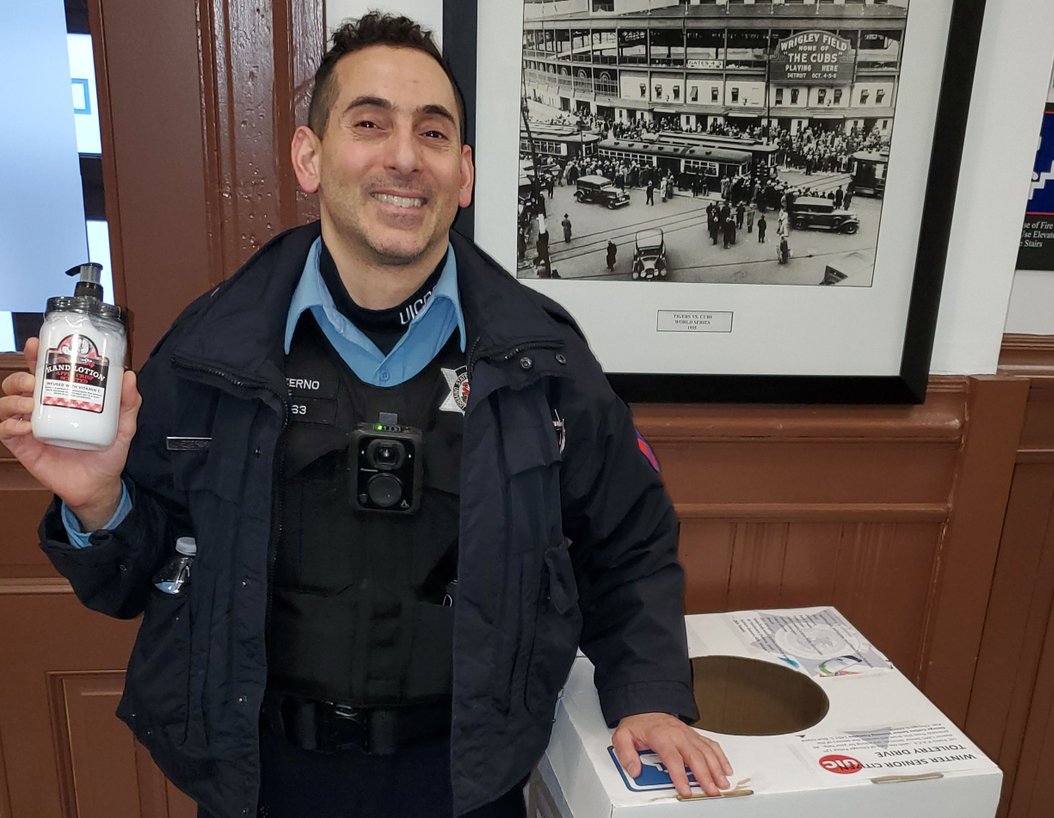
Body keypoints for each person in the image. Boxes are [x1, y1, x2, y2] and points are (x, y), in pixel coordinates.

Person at [0, 14, 730, 818]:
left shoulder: (545, 361)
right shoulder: (210, 352)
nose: (405, 158)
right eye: (370, 124)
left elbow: (629, 539)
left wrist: (649, 694)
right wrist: (98, 503)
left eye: (433, 132)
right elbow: (129, 584)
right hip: (262, 782)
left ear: (464, 173)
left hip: (465, 785)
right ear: (309, 157)